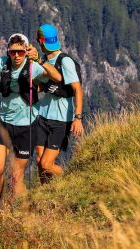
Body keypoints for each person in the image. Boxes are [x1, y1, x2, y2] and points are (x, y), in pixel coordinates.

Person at [0, 33, 62, 204]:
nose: (16, 56)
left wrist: (40, 60)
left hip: (27, 126)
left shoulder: (33, 65)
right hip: (5, 124)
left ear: (25, 51)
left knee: (16, 176)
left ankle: (17, 212)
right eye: (12, 52)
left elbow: (57, 78)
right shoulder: (2, 63)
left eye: (20, 52)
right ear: (8, 52)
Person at [34, 24, 84, 183]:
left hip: (61, 119)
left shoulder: (65, 61)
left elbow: (78, 90)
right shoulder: (46, 61)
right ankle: (45, 197)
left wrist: (78, 118)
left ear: (41, 41)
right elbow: (44, 86)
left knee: (46, 164)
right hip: (43, 115)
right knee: (39, 163)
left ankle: (71, 180)